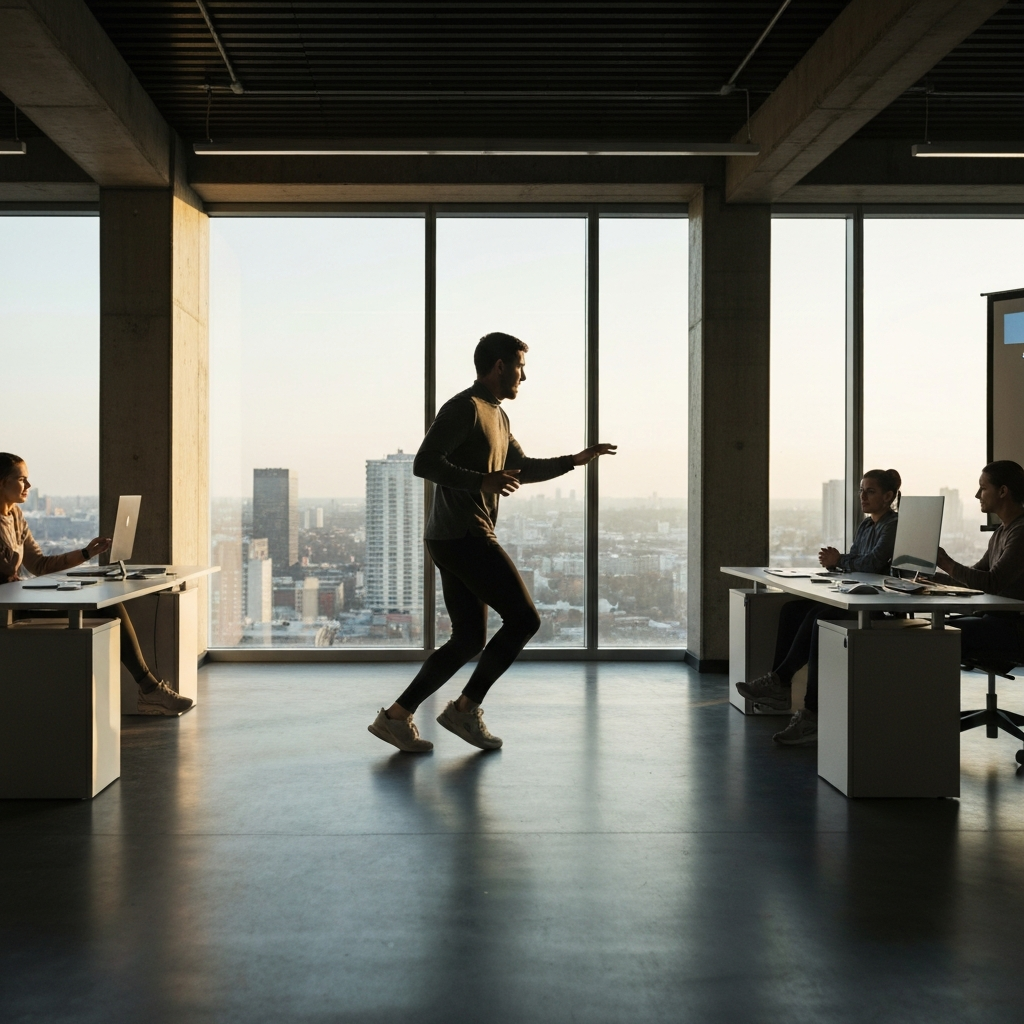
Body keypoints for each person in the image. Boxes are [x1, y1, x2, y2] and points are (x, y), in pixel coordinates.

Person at [368, 332, 616, 753]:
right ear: (500, 366)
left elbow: (521, 467)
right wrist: (481, 480)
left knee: (467, 639)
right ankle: (464, 708)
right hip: (465, 533)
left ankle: (395, 717)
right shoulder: (464, 408)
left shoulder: (498, 416)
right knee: (525, 619)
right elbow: (424, 463)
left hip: (452, 536)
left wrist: (573, 461)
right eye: (520, 366)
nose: (525, 375)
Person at [0, 453, 193, 716]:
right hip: (7, 607)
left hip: (17, 597)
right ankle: (149, 691)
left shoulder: (15, 516)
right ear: (1, 483)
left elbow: (40, 565)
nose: (29, 486)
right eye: (22, 480)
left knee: (110, 607)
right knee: (106, 611)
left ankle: (146, 691)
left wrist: (87, 553)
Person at [736, 468, 902, 746]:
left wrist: (840, 560)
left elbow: (873, 564)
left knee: (818, 617)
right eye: (861, 490)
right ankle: (779, 687)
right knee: (792, 609)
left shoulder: (893, 524)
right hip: (855, 593)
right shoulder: (866, 525)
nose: (862, 496)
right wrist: (839, 564)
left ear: (888, 496)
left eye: (870, 491)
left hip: (874, 603)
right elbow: (859, 561)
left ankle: (809, 710)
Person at [935, 460, 1024, 666]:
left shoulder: (1020, 533)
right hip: (997, 621)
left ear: (1003, 491)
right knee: (928, 628)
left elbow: (992, 582)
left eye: (983, 489)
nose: (977, 495)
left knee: (933, 636)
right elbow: (974, 579)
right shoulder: (1002, 531)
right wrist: (934, 578)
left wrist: (946, 563)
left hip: (1013, 628)